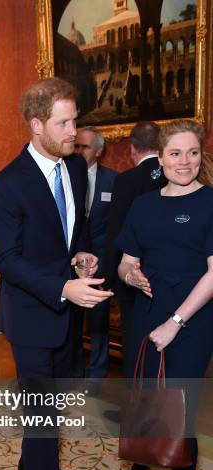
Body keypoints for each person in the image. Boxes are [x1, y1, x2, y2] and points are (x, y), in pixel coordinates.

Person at [0, 78, 113, 470]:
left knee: (55, 405)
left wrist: (80, 255)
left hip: (69, 311)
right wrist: (62, 286)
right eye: (63, 122)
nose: (73, 131)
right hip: (32, 317)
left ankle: (30, 464)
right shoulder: (8, 184)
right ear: (36, 125)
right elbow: (8, 260)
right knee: (42, 419)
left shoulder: (76, 167)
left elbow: (74, 228)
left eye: (75, 120)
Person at [116, 119, 213, 470]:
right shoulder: (144, 205)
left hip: (192, 318)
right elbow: (125, 260)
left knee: (179, 407)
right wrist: (131, 275)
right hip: (147, 311)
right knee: (145, 391)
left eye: (193, 152)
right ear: (161, 155)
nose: (185, 162)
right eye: (176, 153)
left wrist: (175, 323)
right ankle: (143, 459)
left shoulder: (211, 203)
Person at [103, 121, 167, 376]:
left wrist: (107, 275)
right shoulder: (175, 175)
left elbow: (116, 231)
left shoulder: (127, 180)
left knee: (134, 338)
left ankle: (135, 402)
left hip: (133, 273)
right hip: (168, 273)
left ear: (132, 149)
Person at [72, 126, 117, 379]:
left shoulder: (113, 180)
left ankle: (97, 375)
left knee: (99, 321)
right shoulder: (64, 177)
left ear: (98, 151)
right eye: (76, 145)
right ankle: (74, 372)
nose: (78, 151)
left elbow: (117, 224)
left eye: (85, 147)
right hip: (70, 263)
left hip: (101, 262)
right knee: (72, 321)